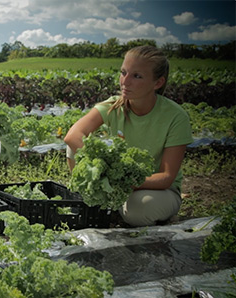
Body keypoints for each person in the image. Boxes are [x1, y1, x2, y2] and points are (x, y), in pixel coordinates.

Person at [64, 45, 193, 227]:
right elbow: (72, 135)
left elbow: (166, 177)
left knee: (139, 209)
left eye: (136, 76)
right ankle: (98, 201)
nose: (125, 81)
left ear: (158, 83)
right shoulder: (114, 106)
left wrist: (122, 182)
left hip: (158, 190)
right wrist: (103, 170)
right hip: (119, 185)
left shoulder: (175, 117)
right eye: (123, 72)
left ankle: (112, 207)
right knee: (73, 148)